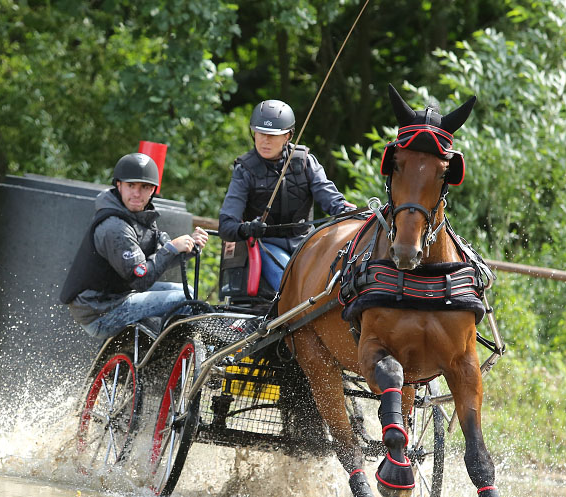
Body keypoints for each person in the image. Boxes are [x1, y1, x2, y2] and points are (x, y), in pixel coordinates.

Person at [60, 152, 209, 339]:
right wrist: (171, 248)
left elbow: (159, 259)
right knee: (185, 300)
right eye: (131, 186)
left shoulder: (140, 215)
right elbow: (141, 279)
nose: (137, 194)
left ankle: (160, 355)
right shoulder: (115, 226)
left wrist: (189, 246)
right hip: (100, 313)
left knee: (189, 293)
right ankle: (168, 361)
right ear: (119, 185)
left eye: (144, 187)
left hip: (120, 296)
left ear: (153, 189)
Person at [219, 99, 355, 293]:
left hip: (307, 243)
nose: (265, 140)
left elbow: (331, 200)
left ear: (288, 136)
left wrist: (345, 210)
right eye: (260, 133)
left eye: (272, 136)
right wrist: (247, 228)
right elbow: (226, 225)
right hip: (266, 245)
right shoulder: (244, 170)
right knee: (290, 283)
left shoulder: (305, 161)